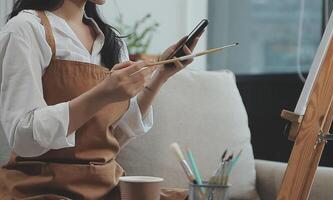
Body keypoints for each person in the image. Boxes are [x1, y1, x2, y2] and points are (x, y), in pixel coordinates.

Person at [0, 0, 201, 199]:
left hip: (105, 186)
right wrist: (103, 93)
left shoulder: (111, 41)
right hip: (42, 187)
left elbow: (117, 135)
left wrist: (161, 76)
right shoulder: (25, 29)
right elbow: (23, 138)